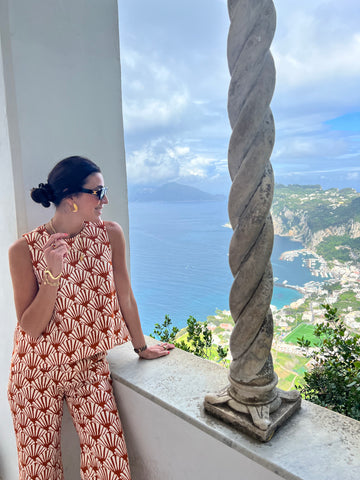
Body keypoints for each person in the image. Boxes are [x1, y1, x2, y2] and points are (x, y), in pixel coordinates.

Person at [7, 156, 174, 480]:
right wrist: (52, 277)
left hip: (89, 365)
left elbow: (125, 295)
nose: (105, 200)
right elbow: (30, 326)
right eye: (97, 192)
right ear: (71, 198)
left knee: (110, 465)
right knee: (39, 473)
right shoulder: (24, 250)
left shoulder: (109, 235)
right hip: (35, 372)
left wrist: (142, 347)